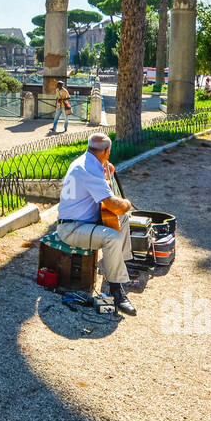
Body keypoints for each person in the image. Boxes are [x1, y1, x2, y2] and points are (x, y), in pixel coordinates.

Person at [55, 132, 137, 316]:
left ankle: (119, 265)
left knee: (122, 220)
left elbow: (97, 187)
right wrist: (127, 203)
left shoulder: (85, 161)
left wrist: (105, 169)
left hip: (80, 222)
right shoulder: (89, 169)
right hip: (71, 228)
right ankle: (116, 291)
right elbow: (113, 205)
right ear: (107, 151)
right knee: (113, 235)